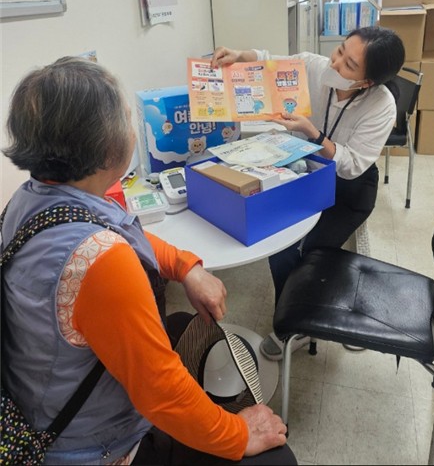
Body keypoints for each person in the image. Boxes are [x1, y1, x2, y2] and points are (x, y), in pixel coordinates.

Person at [1, 57, 297, 465]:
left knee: (187, 325)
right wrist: (238, 434)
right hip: (93, 446)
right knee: (277, 461)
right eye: (127, 118)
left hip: (42, 399)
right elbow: (160, 392)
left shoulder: (30, 197)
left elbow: (117, 227)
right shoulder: (103, 263)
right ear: (108, 148)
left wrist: (185, 267)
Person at [211, 26, 405, 361]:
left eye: (349, 64)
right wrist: (239, 55)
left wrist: (312, 133)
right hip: (307, 172)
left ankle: (306, 320)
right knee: (280, 245)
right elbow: (270, 61)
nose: (336, 62)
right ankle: (292, 320)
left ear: (367, 82)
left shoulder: (382, 106)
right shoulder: (315, 67)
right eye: (340, 50)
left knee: (312, 252)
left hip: (349, 190)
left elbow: (352, 166)